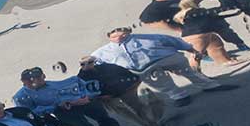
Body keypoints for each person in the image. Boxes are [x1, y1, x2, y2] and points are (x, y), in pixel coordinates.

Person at [91, 27, 237, 106]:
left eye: (122, 31)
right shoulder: (102, 51)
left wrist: (189, 49)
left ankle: (210, 85)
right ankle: (179, 96)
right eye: (115, 33)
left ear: (128, 31)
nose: (119, 34)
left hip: (166, 58)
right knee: (161, 82)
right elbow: (94, 62)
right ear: (109, 36)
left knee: (188, 71)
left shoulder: (149, 37)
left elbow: (171, 40)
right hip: (140, 69)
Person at [12, 66, 147, 126]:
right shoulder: (21, 96)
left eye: (36, 78)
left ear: (43, 76)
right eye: (29, 80)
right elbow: (30, 113)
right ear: (22, 81)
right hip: (61, 111)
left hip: (79, 103)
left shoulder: (54, 84)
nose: (33, 82)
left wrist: (85, 97)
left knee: (103, 117)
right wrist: (55, 106)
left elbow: (82, 87)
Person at [77, 55, 165, 126]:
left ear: (94, 62)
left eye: (90, 62)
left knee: (138, 107)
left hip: (124, 90)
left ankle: (153, 122)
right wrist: (99, 97)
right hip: (107, 97)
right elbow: (84, 93)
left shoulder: (106, 67)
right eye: (83, 64)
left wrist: (134, 83)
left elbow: (125, 72)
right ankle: (146, 125)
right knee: (124, 112)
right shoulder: (80, 78)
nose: (86, 65)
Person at [172, 0, 240, 66]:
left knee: (216, 43)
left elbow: (215, 17)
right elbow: (211, 11)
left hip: (200, 34)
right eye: (198, 0)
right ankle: (195, 73)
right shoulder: (192, 12)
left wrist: (234, 13)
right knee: (197, 55)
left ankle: (225, 61)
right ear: (191, 3)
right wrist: (229, 8)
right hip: (196, 36)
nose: (201, 0)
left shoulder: (190, 13)